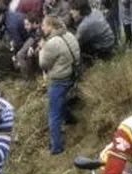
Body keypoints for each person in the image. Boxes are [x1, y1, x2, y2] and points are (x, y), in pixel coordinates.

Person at [38, 15, 79, 155]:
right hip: (72, 74)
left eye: (43, 25)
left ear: (50, 26)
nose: (42, 28)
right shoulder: (69, 35)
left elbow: (43, 64)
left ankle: (56, 148)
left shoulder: (52, 43)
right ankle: (71, 120)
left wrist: (42, 49)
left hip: (59, 79)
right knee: (60, 101)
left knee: (53, 114)